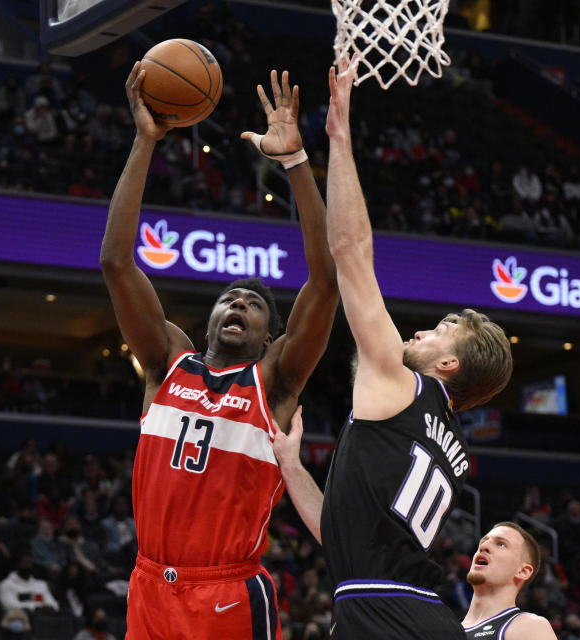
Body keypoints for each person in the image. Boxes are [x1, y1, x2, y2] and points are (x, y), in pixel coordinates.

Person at [271, 55, 512, 640]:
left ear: (449, 365)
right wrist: (289, 464)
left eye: (442, 329)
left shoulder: (403, 387)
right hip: (405, 611)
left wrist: (336, 137)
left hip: (386, 615)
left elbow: (351, 252)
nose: (423, 330)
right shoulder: (449, 442)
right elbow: (342, 530)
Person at [100, 62, 337, 640]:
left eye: (253, 306)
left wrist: (296, 165)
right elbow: (115, 261)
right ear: (207, 318)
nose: (237, 305)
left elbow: (328, 282)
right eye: (229, 298)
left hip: (227, 593)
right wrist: (144, 141)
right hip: (149, 585)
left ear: (268, 336)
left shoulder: (274, 382)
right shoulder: (166, 362)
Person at [461, 523, 555, 640]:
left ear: (522, 571)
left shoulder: (528, 627)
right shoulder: (448, 629)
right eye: (483, 541)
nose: (484, 546)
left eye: (501, 544)